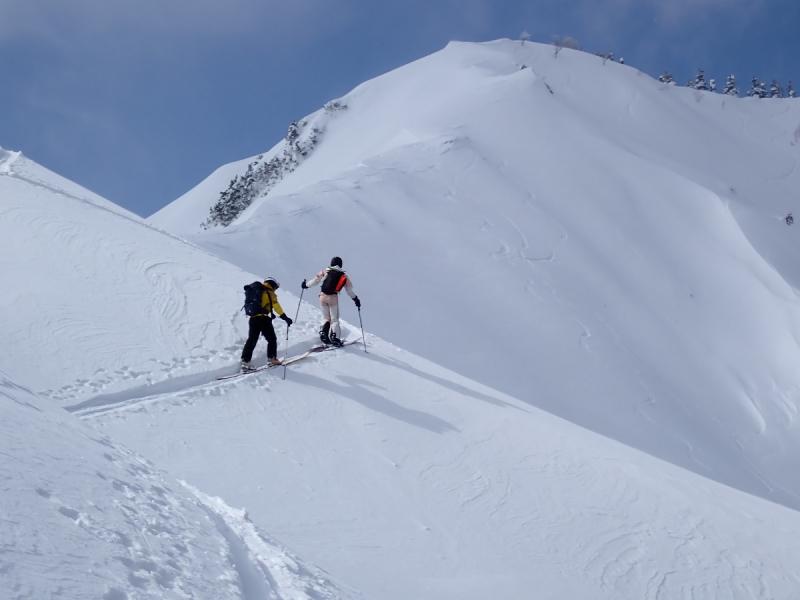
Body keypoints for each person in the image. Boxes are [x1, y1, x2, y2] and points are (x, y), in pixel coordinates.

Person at [302, 256, 361, 347]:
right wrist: (356, 299)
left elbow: (315, 281)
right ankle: (335, 337)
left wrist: (305, 285)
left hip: (322, 297)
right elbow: (349, 291)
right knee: (334, 319)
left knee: (326, 318)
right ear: (340, 265)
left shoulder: (325, 271)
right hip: (333, 298)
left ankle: (324, 333)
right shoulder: (343, 276)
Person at [241, 277, 293, 371]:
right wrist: (285, 317)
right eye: (276, 287)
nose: (275, 289)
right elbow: (276, 306)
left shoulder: (255, 289)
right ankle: (272, 359)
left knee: (252, 339)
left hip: (253, 319)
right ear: (272, 284)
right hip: (264, 319)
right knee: (272, 339)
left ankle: (245, 362)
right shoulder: (269, 292)